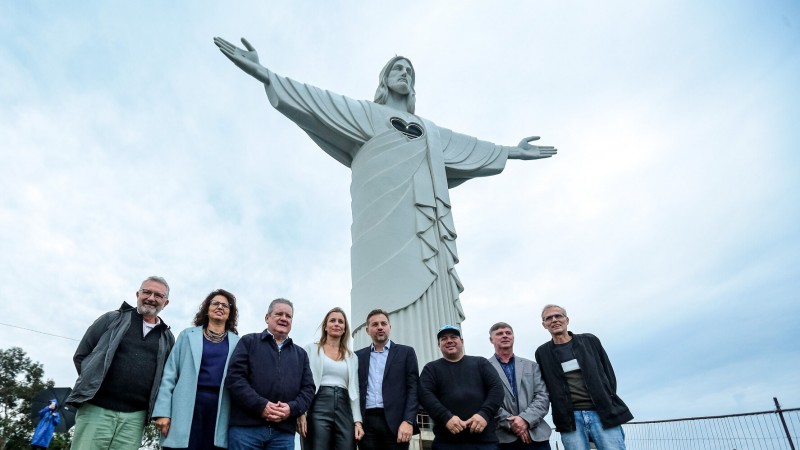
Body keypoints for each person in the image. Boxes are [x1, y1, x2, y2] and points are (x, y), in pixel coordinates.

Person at [214, 37, 557, 365]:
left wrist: (512, 152)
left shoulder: (430, 131)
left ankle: (437, 377)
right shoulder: (366, 114)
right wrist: (265, 74)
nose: (404, 74)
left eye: (410, 71)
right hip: (378, 225)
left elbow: (470, 148)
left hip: (425, 231)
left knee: (433, 293)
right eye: (398, 69)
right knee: (378, 299)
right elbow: (316, 101)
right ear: (384, 80)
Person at [66, 275, 175, 450]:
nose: (151, 298)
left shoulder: (167, 337)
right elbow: (81, 355)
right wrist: (93, 384)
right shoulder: (112, 319)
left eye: (158, 296)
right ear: (138, 294)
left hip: (135, 418)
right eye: (147, 292)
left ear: (166, 303)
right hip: (96, 409)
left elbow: (167, 377)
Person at [152, 289, 241, 449]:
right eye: (215, 303)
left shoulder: (238, 343)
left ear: (230, 313)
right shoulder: (187, 336)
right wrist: (163, 412)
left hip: (220, 410)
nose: (220, 307)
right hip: (185, 407)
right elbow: (169, 375)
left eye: (225, 305)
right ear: (207, 309)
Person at [535, 305, 633, 450]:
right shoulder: (542, 353)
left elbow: (608, 374)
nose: (554, 320)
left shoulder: (589, 341)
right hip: (570, 419)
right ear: (544, 325)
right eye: (549, 318)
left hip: (602, 413)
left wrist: (607, 399)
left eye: (558, 316)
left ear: (567, 320)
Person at [225, 298, 315, 450]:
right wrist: (261, 406)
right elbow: (235, 379)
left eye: (288, 316)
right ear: (267, 318)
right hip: (246, 430)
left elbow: (308, 389)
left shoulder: (301, 354)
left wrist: (291, 409)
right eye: (279, 314)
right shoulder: (249, 342)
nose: (284, 318)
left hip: (283, 433)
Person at [418, 325, 504, 450]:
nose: (449, 341)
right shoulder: (431, 369)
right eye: (444, 339)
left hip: (484, 441)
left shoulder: (481, 363)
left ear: (462, 342)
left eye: (454, 337)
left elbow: (497, 389)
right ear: (439, 344)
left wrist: (484, 414)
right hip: (446, 442)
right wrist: (445, 417)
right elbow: (424, 394)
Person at [298, 307, 363, 449]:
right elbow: (301, 383)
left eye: (341, 321)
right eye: (332, 320)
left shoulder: (352, 357)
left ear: (345, 328)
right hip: (317, 405)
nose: (336, 324)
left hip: (344, 408)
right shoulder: (310, 349)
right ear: (325, 326)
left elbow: (355, 391)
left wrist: (357, 421)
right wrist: (301, 413)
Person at [355, 309, 420, 450]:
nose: (379, 327)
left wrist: (408, 420)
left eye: (383, 323)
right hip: (367, 424)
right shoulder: (357, 357)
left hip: (396, 424)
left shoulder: (406, 353)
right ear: (367, 330)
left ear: (390, 327)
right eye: (375, 324)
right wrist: (356, 422)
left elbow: (413, 389)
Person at [487, 322, 551, 450]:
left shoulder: (531, 366)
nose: (505, 336)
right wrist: (514, 424)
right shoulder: (484, 368)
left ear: (513, 337)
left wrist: (525, 420)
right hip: (503, 439)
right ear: (491, 340)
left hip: (536, 436)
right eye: (499, 334)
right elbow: (487, 402)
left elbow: (542, 396)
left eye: (508, 333)